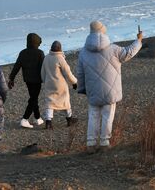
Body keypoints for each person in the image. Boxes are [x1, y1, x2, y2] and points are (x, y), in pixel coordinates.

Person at [77, 21, 142, 153]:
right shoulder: (113, 49)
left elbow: (80, 73)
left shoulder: (83, 52)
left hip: (93, 90)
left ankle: (90, 143)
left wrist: (82, 89)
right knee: (108, 115)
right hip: (110, 90)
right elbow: (129, 52)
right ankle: (104, 142)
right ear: (103, 31)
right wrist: (139, 40)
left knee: (93, 115)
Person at [8, 33, 45, 129]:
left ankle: (38, 118)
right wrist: (48, 79)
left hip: (28, 80)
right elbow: (44, 68)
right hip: (37, 80)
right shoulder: (40, 53)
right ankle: (25, 119)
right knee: (33, 98)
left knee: (34, 97)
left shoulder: (23, 53)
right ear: (36, 42)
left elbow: (17, 66)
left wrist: (11, 78)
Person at [41, 40, 78, 129]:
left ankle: (48, 122)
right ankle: (69, 119)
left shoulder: (46, 58)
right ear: (60, 49)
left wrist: (44, 81)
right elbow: (67, 73)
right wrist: (74, 82)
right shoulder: (60, 58)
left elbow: (42, 72)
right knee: (65, 101)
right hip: (60, 85)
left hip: (49, 84)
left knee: (50, 102)